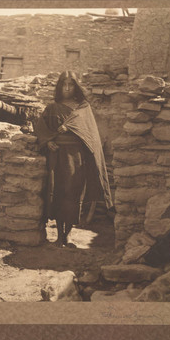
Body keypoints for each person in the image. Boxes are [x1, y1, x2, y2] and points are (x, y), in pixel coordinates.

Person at [34, 70, 113, 248]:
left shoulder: (82, 108)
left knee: (73, 193)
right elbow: (41, 129)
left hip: (76, 157)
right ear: (59, 87)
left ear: (76, 87)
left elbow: (89, 133)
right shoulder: (52, 107)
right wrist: (48, 142)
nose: (67, 88)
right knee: (57, 192)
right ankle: (58, 236)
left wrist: (71, 128)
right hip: (57, 156)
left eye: (71, 85)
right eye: (64, 85)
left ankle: (68, 235)